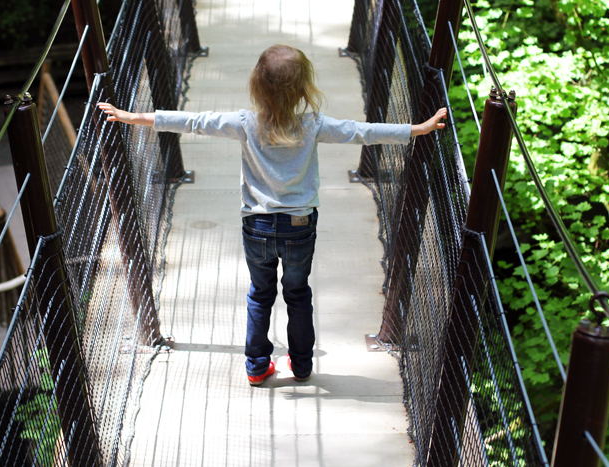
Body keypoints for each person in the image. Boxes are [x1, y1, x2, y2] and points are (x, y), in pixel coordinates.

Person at [97, 44, 447, 386]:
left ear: (256, 86)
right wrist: (418, 128)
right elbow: (363, 131)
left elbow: (194, 122)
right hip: (299, 226)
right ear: (303, 89)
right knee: (298, 294)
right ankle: (302, 364)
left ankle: (257, 366)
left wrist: (133, 118)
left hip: (258, 226)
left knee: (260, 294)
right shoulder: (314, 125)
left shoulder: (244, 123)